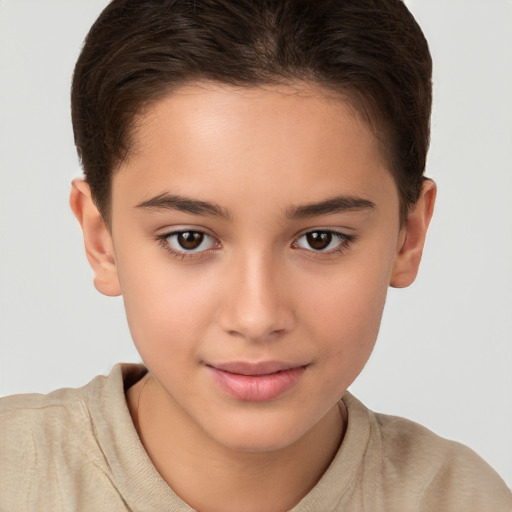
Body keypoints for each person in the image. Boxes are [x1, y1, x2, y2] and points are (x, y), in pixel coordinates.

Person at [0, 0, 510, 510]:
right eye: (189, 239)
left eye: (320, 239)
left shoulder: (462, 498)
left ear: (409, 235)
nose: (256, 317)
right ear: (100, 238)